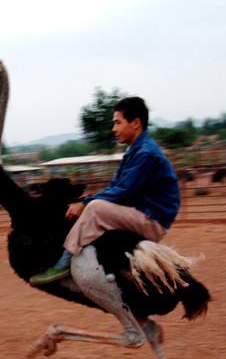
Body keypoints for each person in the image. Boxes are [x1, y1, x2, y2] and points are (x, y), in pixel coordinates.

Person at [30, 96, 180, 285]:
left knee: (95, 209)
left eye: (118, 123)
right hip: (144, 213)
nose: (114, 129)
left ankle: (64, 261)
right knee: (94, 206)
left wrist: (85, 203)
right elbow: (116, 188)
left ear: (136, 123)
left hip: (151, 220)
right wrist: (86, 200)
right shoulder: (136, 150)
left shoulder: (145, 154)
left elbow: (122, 192)